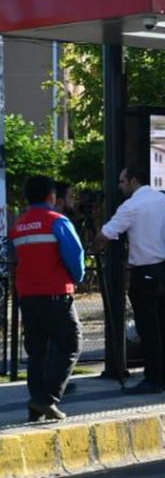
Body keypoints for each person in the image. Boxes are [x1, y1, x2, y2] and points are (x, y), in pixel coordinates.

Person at [91, 164, 165, 394]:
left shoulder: (132, 206)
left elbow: (105, 235)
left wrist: (93, 249)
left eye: (121, 181)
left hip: (145, 272)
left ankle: (152, 379)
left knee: (149, 328)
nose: (119, 186)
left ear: (132, 180)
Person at [10, 175, 84, 421]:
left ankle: (36, 406)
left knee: (37, 352)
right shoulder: (57, 221)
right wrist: (76, 278)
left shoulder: (18, 226)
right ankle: (48, 398)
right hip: (56, 294)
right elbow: (75, 256)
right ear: (52, 197)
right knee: (71, 344)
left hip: (28, 296)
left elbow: (15, 260)